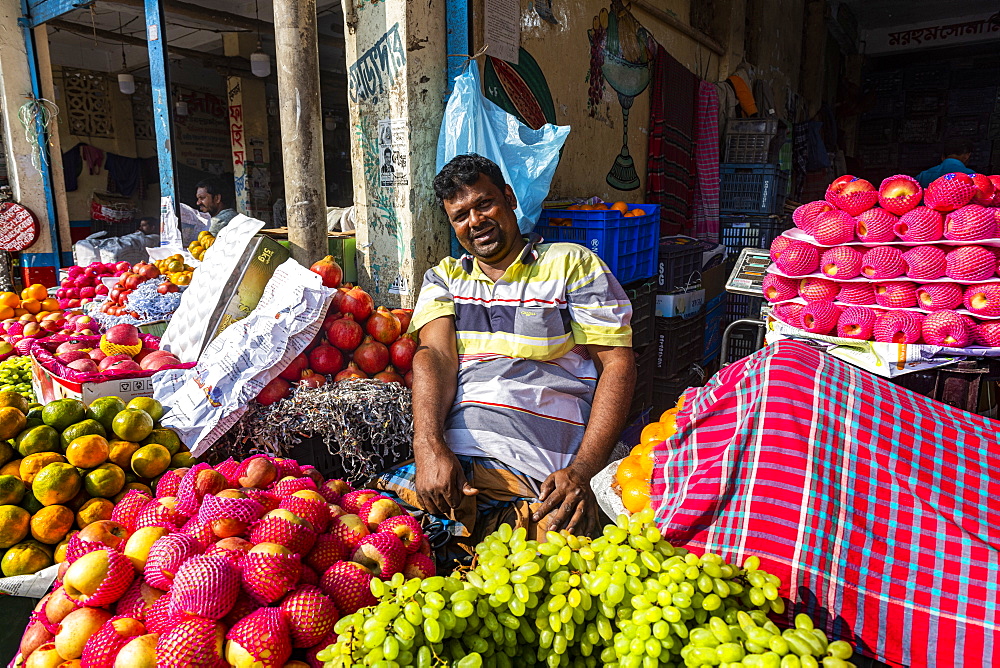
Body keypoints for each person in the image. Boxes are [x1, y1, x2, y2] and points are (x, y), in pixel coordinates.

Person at [374, 154, 636, 562]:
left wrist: (582, 472)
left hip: (540, 466)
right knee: (382, 543)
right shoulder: (444, 277)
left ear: (510, 198)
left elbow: (617, 365)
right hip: (456, 461)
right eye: (460, 215)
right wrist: (428, 448)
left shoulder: (572, 264)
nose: (475, 221)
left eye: (484, 204)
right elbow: (434, 357)